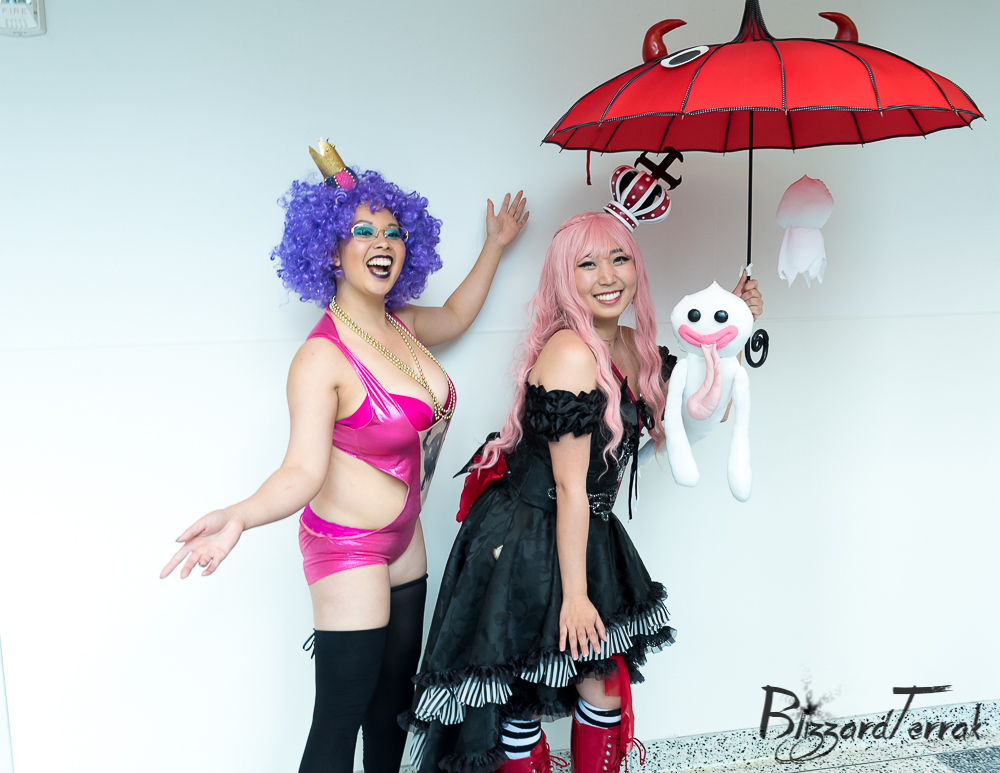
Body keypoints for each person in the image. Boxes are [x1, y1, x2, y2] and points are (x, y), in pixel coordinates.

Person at [159, 141, 529, 773]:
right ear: (330, 251)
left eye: (392, 232)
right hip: (347, 546)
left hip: (406, 540)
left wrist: (494, 246)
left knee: (393, 713)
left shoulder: (403, 325)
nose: (381, 242)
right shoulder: (321, 357)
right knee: (339, 721)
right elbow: (301, 470)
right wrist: (239, 516)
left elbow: (457, 315)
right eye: (362, 231)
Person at [403, 198, 762, 773]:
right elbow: (569, 488)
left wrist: (730, 335)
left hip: (584, 530)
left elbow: (694, 421)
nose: (607, 277)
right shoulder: (570, 353)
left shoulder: (634, 347)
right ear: (564, 278)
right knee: (521, 697)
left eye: (619, 259)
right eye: (587, 264)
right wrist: (574, 597)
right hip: (525, 537)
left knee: (602, 687)